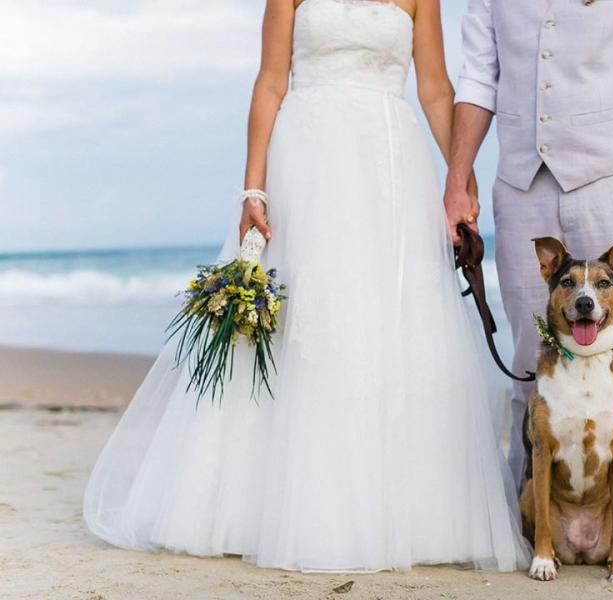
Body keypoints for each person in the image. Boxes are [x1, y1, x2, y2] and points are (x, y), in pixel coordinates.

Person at [83, 0, 530, 573]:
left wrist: (459, 180)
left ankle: (397, 512)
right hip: (309, 162)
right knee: (312, 320)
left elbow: (436, 90)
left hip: (390, 167)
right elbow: (271, 83)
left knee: (387, 325)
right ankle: (275, 507)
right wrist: (254, 190)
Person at [443, 0, 613, 574]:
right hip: (520, 183)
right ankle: (525, 523)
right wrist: (458, 181)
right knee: (529, 365)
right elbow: (480, 73)